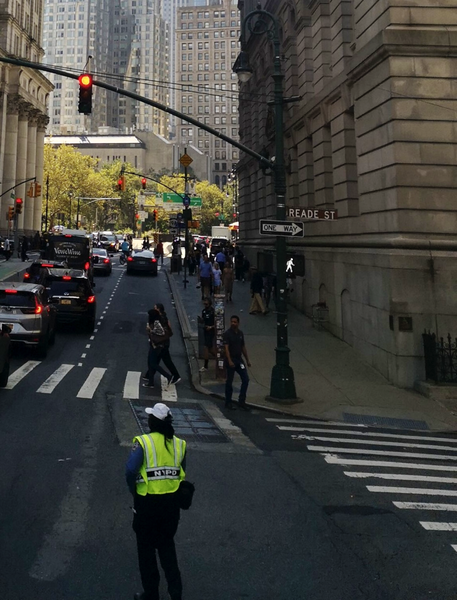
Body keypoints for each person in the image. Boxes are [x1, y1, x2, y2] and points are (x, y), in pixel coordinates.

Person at [126, 402, 186, 600]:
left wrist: (134, 492)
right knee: (167, 548)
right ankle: (175, 593)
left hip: (147, 505)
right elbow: (181, 472)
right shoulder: (179, 445)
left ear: (152, 422)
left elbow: (130, 471)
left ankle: (151, 594)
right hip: (171, 506)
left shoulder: (144, 443)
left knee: (146, 552)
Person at [223, 315, 251, 410]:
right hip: (231, 360)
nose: (233, 323)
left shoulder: (240, 333)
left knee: (245, 379)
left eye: (235, 322)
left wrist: (247, 360)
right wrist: (229, 360)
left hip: (239, 360)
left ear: (238, 323)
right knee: (229, 381)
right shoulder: (227, 334)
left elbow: (243, 347)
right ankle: (228, 402)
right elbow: (226, 348)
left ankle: (241, 401)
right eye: (232, 322)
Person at [143, 309, 172, 389]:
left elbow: (161, 332)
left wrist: (150, 330)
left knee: (153, 363)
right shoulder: (155, 321)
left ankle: (168, 376)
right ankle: (151, 382)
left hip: (157, 346)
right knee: (150, 363)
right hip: (154, 345)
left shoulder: (156, 323)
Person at [199, 297, 215, 372]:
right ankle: (221, 358)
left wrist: (211, 327)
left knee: (206, 347)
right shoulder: (204, 311)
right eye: (204, 304)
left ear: (210, 304)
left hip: (211, 331)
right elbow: (203, 320)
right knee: (210, 349)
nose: (205, 305)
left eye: (206, 304)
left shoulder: (213, 312)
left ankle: (205, 366)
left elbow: (216, 322)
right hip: (205, 331)